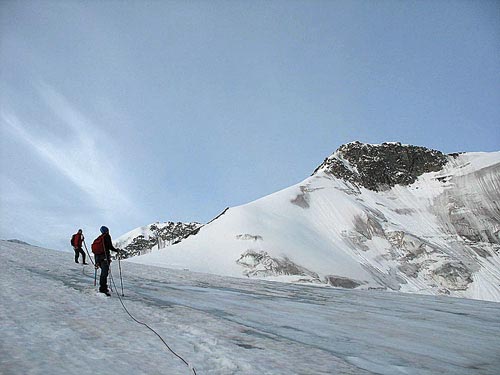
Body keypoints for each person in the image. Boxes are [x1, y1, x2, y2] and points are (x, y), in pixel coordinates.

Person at [94, 226, 120, 296]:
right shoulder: (107, 236)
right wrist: (116, 250)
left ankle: (103, 287)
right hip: (105, 257)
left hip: (99, 258)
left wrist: (96, 262)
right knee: (104, 274)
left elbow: (96, 251)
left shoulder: (99, 238)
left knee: (103, 273)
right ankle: (103, 289)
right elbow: (110, 246)